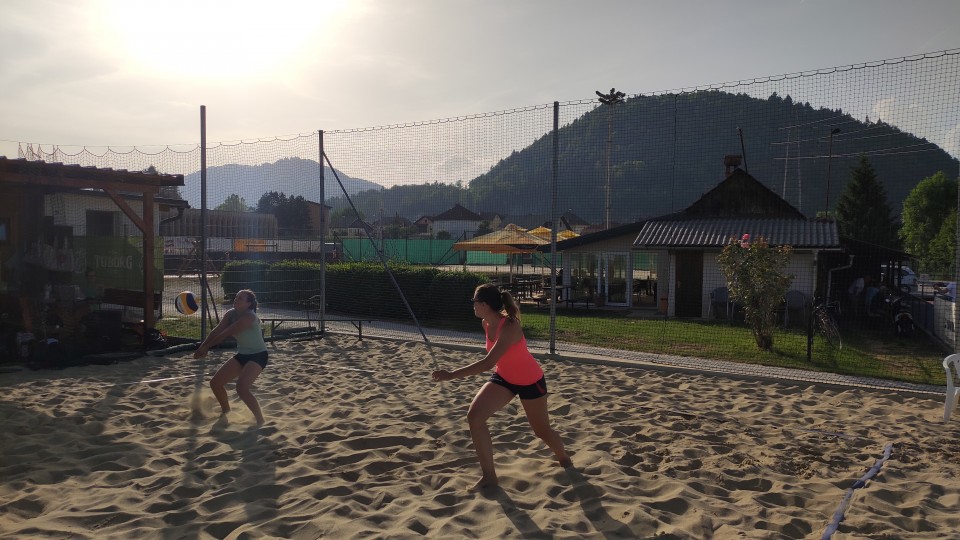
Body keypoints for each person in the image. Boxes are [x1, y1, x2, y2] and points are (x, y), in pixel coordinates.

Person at [431, 283, 572, 491]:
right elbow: (496, 364)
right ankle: (489, 476)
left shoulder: (510, 326)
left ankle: (565, 460)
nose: (472, 305)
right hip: (504, 378)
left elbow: (488, 363)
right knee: (475, 416)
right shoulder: (486, 324)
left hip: (530, 381)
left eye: (474, 302)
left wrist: (451, 375)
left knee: (541, 431)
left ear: (485, 305)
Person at [194, 289, 268, 425]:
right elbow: (217, 330)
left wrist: (206, 348)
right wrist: (202, 346)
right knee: (215, 383)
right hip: (243, 355)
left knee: (241, 388)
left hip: (258, 355)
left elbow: (225, 334)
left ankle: (260, 421)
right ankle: (226, 412)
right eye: (236, 297)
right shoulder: (230, 314)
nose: (236, 299)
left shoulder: (249, 317)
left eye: (240, 298)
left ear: (249, 304)